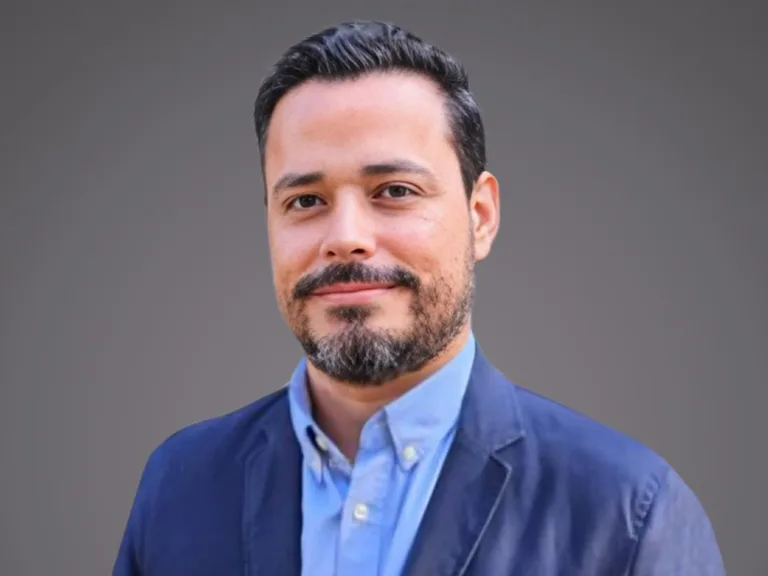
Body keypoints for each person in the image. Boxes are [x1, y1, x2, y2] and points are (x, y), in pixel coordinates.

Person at [113, 20, 725, 576]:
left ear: (480, 216)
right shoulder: (180, 485)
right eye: (305, 201)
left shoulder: (627, 513)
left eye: (395, 190)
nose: (346, 238)